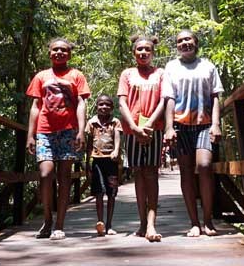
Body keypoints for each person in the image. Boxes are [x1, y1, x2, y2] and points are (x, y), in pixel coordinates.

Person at [25, 38, 90, 240]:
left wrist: (80, 130)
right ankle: (47, 219)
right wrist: (30, 134)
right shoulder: (41, 76)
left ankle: (59, 224)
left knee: (64, 178)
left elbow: (81, 103)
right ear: (50, 53)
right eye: (55, 50)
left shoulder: (76, 75)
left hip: (68, 131)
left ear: (69, 54)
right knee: (45, 175)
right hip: (45, 131)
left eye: (63, 50)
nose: (59, 52)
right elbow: (36, 106)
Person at [162, 30, 224, 237]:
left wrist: (216, 124)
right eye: (180, 41)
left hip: (204, 124)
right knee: (186, 172)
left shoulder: (208, 66)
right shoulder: (171, 67)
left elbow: (215, 96)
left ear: (196, 43)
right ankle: (194, 223)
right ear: (177, 46)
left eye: (188, 39)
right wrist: (169, 127)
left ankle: (208, 220)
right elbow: (169, 99)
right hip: (181, 125)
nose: (184, 43)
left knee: (204, 167)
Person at [117, 35, 166, 242]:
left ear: (153, 52)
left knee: (151, 173)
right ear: (134, 52)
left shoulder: (160, 73)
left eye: (147, 49)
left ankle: (152, 223)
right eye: (139, 50)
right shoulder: (127, 74)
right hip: (132, 130)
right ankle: (142, 222)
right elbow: (122, 102)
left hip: (154, 128)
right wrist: (135, 128)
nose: (143, 53)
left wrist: (149, 125)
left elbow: (164, 100)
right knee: (138, 174)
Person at [84, 94, 122, 236]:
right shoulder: (92, 123)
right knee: (98, 192)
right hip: (97, 161)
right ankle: (100, 222)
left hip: (111, 161)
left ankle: (110, 224)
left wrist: (116, 151)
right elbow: (88, 143)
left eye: (107, 105)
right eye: (101, 104)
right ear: (97, 106)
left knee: (111, 193)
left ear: (112, 108)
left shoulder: (115, 122)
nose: (104, 107)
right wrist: (87, 163)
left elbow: (117, 137)